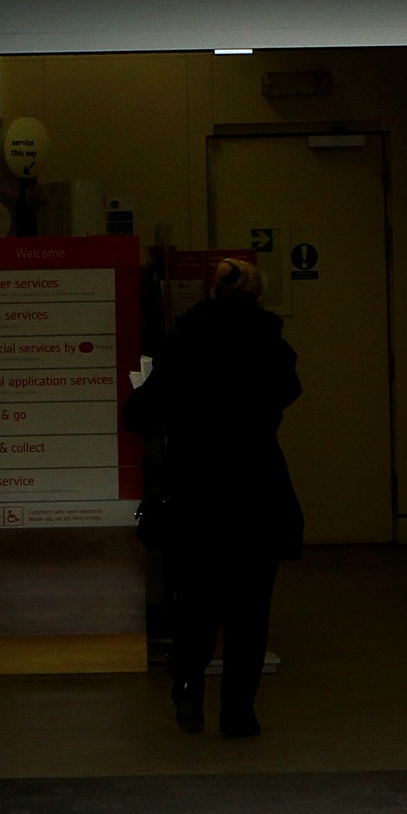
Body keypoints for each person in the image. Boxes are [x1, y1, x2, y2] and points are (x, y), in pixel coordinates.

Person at [125, 255, 303, 738]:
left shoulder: (182, 348)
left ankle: (187, 684)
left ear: (211, 294)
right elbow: (286, 395)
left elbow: (139, 415)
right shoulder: (274, 349)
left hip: (196, 489)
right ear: (259, 298)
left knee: (196, 599)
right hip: (255, 489)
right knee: (250, 607)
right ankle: (239, 713)